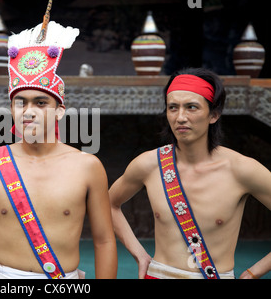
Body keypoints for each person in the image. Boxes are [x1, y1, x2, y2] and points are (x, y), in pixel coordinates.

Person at [0, 0, 117, 279]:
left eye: (41, 103)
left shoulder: (87, 166)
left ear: (59, 110)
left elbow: (104, 240)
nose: (29, 110)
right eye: (20, 102)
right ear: (11, 110)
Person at [109, 67, 271, 279]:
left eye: (191, 107)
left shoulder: (242, 169)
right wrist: (140, 254)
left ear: (213, 114)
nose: (181, 117)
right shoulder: (149, 164)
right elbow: (107, 203)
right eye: (173, 108)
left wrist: (252, 273)